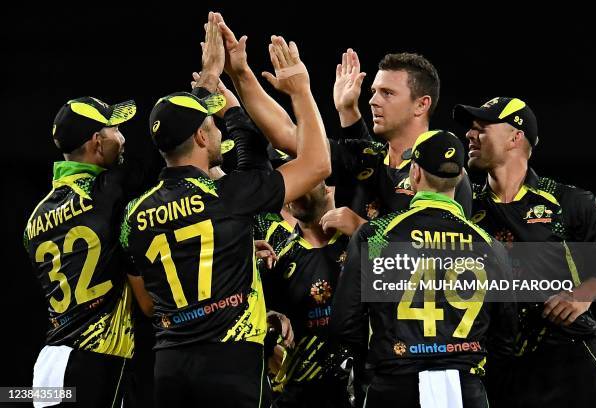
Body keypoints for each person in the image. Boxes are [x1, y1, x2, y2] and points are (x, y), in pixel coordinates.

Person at [119, 13, 330, 407]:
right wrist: (300, 89)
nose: (219, 129)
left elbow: (148, 304)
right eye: (213, 124)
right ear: (201, 136)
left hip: (169, 366)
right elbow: (318, 163)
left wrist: (210, 77)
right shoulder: (229, 194)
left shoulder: (135, 213)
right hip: (230, 364)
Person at [211, 15, 471, 233]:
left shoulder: (444, 172)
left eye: (387, 93)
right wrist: (241, 73)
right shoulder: (365, 157)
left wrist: (362, 228)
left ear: (421, 104)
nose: (373, 101)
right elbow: (287, 134)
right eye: (374, 91)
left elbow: (445, 257)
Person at [330, 130, 516, 408]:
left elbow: (345, 324)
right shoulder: (490, 245)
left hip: (395, 384)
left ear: (414, 172)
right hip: (466, 387)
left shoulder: (377, 234)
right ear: (461, 177)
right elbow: (507, 335)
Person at [453, 96, 596, 407]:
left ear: (516, 137)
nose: (470, 135)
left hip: (567, 363)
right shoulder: (463, 208)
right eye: (470, 129)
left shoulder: (568, 201)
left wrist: (585, 293)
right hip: (496, 366)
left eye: (482, 127)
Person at [23, 93, 145, 407]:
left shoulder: (34, 218)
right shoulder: (109, 192)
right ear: (97, 142)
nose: (122, 138)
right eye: (115, 130)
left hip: (48, 366)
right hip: (94, 363)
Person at [262, 181, 353, 408]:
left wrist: (365, 230)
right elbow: (256, 320)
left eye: (307, 182)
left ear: (328, 190)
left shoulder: (359, 242)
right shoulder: (276, 258)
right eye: (294, 187)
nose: (296, 190)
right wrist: (267, 322)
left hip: (357, 386)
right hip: (300, 391)